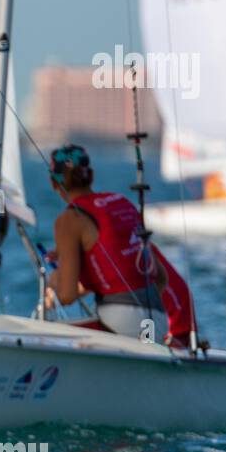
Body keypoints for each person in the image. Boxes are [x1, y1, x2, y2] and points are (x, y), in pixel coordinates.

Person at [45, 143, 192, 343]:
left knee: (47, 334)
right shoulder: (122, 202)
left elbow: (67, 296)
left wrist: (56, 280)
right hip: (156, 322)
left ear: (54, 183)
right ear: (91, 175)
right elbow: (161, 279)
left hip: (122, 322)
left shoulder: (69, 219)